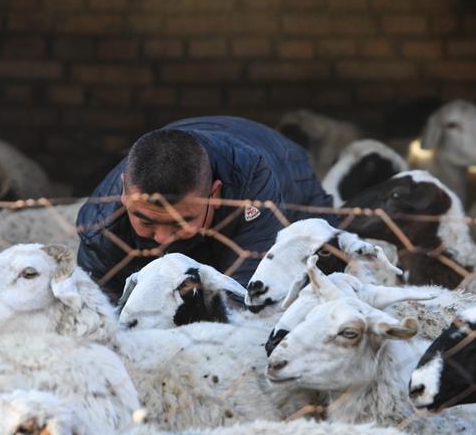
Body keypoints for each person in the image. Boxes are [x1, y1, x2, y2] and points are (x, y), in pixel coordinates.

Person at [76, 116, 333, 300]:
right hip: (189, 139)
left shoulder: (253, 181)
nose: (162, 238)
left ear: (215, 194)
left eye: (179, 222)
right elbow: (102, 312)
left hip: (282, 162)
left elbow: (245, 298)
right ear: (123, 191)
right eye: (146, 221)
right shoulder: (99, 226)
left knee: (316, 275)